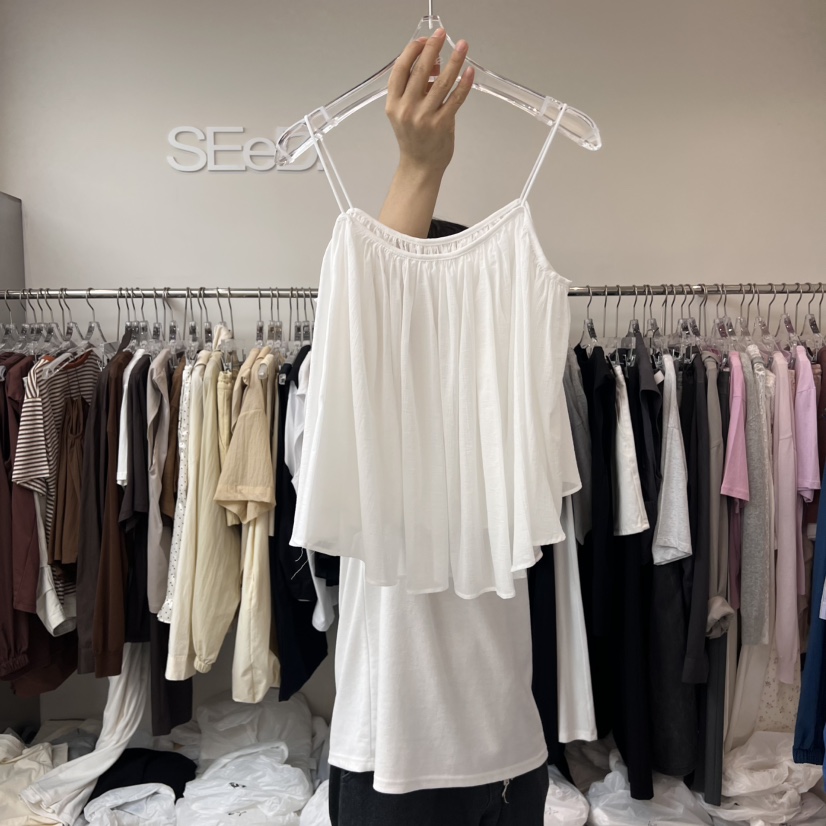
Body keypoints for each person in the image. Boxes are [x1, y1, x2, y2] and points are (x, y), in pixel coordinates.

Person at [327, 28, 551, 825]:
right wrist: (417, 170)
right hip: (393, 763)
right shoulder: (349, 387)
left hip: (509, 755)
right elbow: (375, 325)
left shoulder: (506, 395)